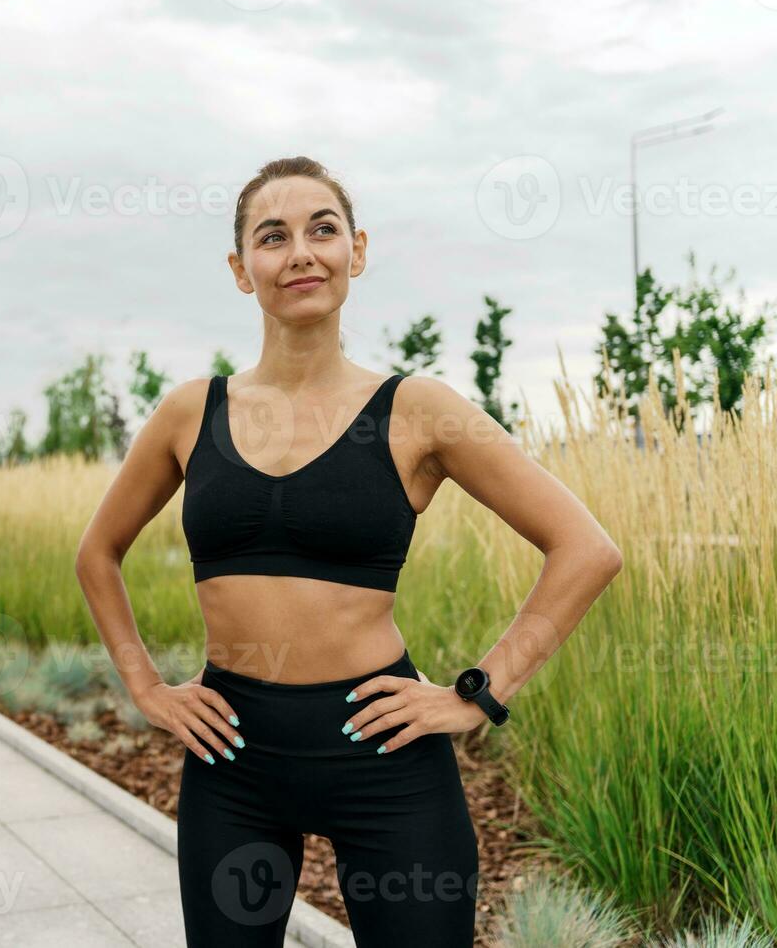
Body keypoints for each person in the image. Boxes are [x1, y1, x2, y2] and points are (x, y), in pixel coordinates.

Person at [73, 157, 623, 947]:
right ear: (241, 269)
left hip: (384, 758)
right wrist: (146, 688)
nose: (300, 251)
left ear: (356, 252)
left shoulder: (419, 410)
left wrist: (475, 695)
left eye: (322, 230)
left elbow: (586, 549)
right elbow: (98, 553)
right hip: (233, 759)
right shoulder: (191, 412)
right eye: (273, 236)